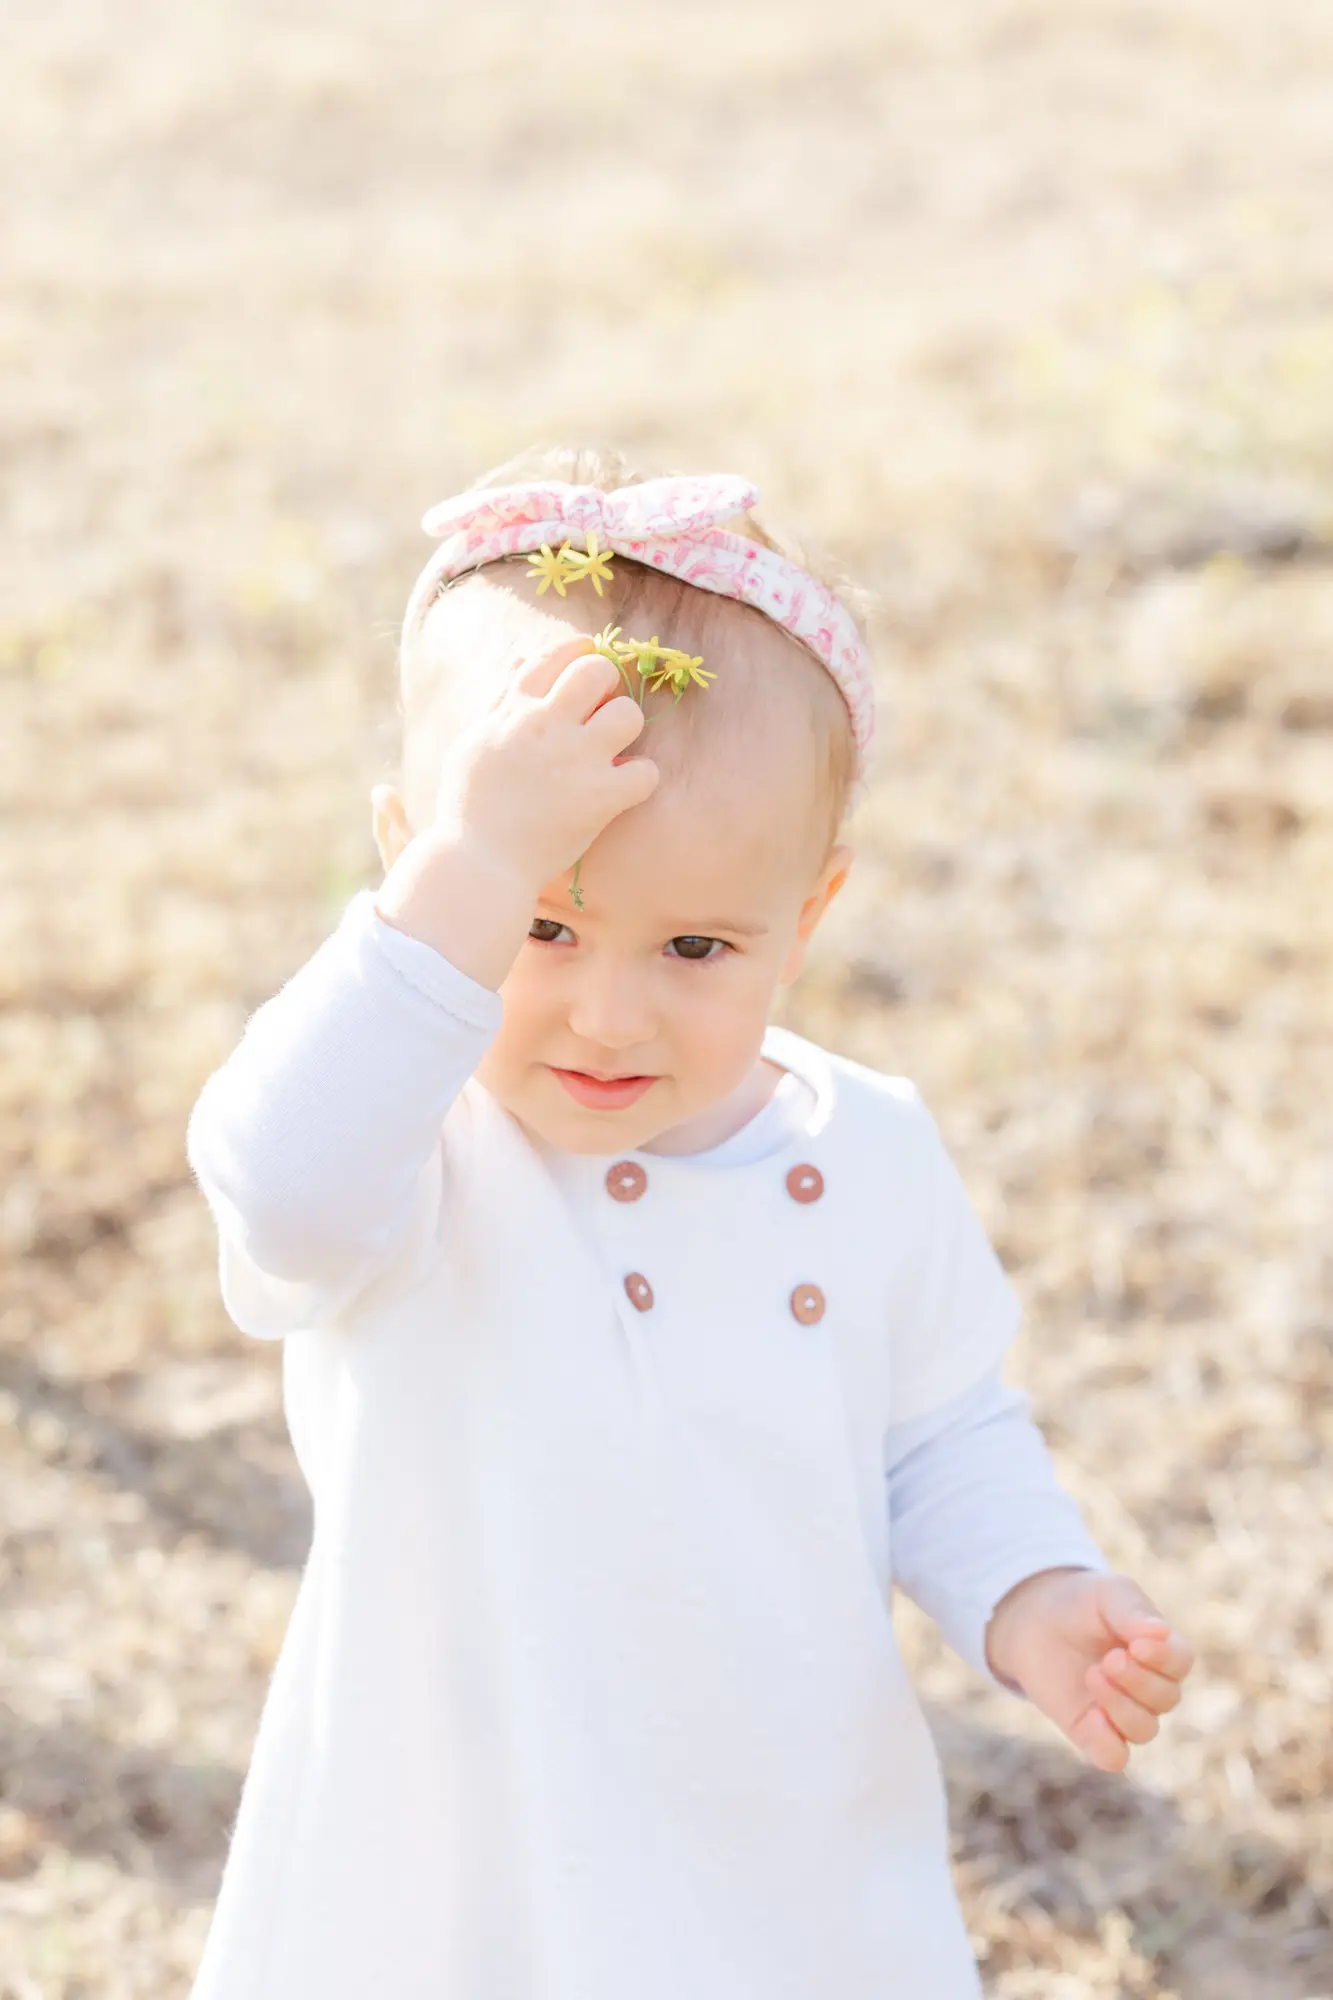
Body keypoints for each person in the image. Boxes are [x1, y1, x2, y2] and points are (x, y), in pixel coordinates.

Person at [185, 445, 1193, 1999]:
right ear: (415, 863)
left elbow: (939, 1436)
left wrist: (1029, 1594)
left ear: (812, 912)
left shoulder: (869, 1155)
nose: (607, 1009)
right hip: (459, 1865)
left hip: (780, 1858)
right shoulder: (411, 1149)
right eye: (541, 921)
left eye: (697, 944)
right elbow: (276, 1185)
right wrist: (472, 867)